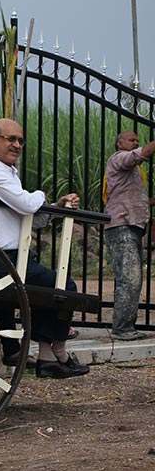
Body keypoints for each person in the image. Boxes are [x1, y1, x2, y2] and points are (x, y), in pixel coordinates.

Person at [0, 118, 89, 379]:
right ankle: (56, 350)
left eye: (20, 141)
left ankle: (47, 356)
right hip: (1, 257)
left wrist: (54, 207)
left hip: (9, 255)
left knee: (47, 291)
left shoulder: (5, 172)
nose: (16, 145)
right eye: (10, 139)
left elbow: (29, 217)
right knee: (65, 288)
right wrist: (41, 196)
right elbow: (26, 205)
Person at [103, 130, 155, 340]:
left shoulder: (132, 173)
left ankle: (126, 327)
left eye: (137, 140)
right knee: (130, 278)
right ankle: (122, 329)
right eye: (131, 139)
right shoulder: (119, 159)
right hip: (122, 226)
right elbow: (139, 155)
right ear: (119, 143)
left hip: (131, 225)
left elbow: (133, 197)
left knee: (132, 277)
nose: (135, 142)